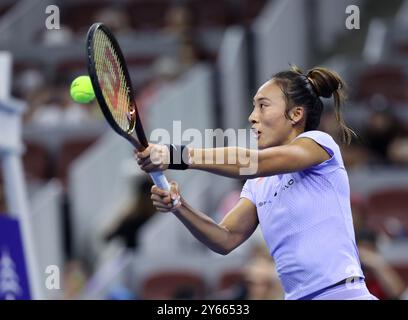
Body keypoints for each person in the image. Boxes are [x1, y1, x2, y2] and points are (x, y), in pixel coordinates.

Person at [136, 65, 378, 300]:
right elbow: (225, 238)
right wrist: (179, 205)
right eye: (254, 107)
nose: (252, 117)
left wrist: (174, 155)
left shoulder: (319, 144)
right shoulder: (258, 183)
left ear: (296, 114)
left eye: (263, 106)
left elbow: (253, 162)